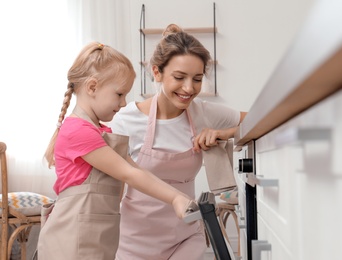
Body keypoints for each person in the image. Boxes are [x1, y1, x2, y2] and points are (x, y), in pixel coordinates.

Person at [37, 42, 193, 260]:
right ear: (92, 87)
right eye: (119, 94)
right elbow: (129, 174)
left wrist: (178, 196)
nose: (123, 103)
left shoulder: (101, 131)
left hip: (96, 238)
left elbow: (136, 169)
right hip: (71, 240)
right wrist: (175, 198)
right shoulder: (77, 131)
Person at [109, 24, 247, 260]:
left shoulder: (203, 113)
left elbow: (257, 120)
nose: (189, 88)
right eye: (179, 77)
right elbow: (114, 188)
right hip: (133, 243)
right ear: (157, 72)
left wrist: (224, 133)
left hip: (185, 238)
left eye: (197, 79)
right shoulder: (125, 120)